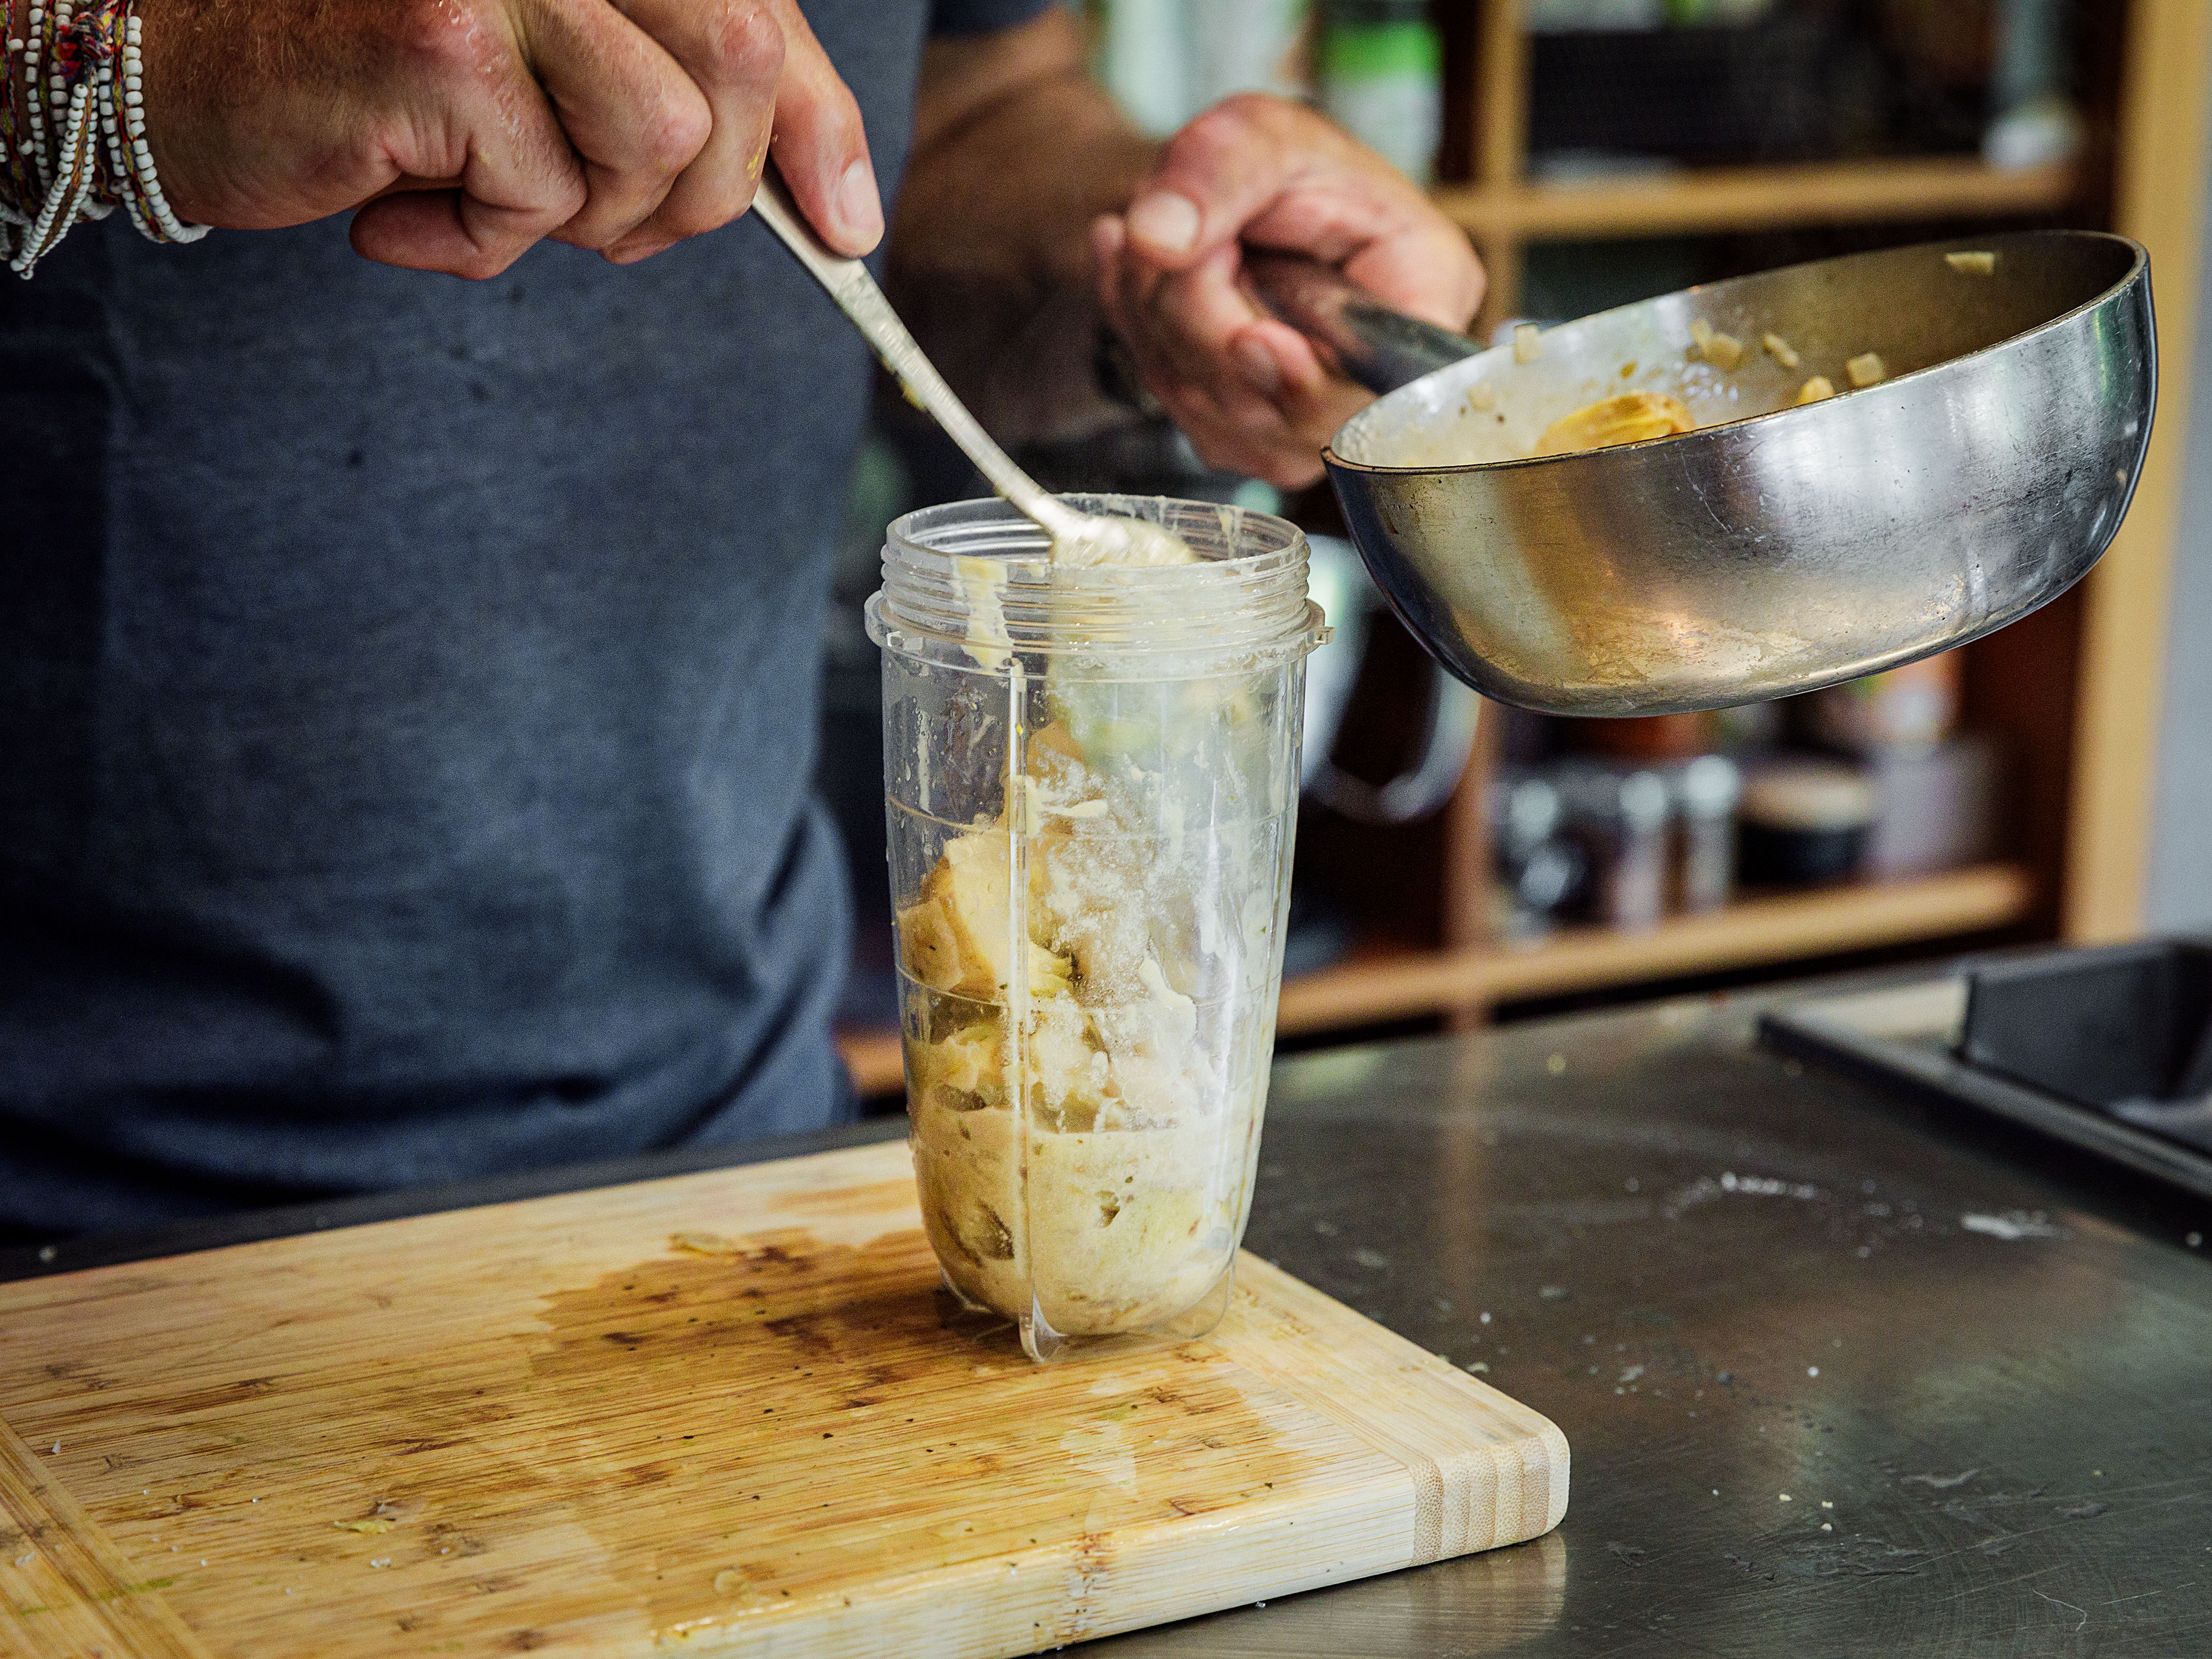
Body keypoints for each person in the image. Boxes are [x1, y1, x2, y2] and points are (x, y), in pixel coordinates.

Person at [0, 0, 1480, 1242]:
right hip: (70, 1194)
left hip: (731, 1148)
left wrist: (1158, 262)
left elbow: (950, 113)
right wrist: (132, 72)